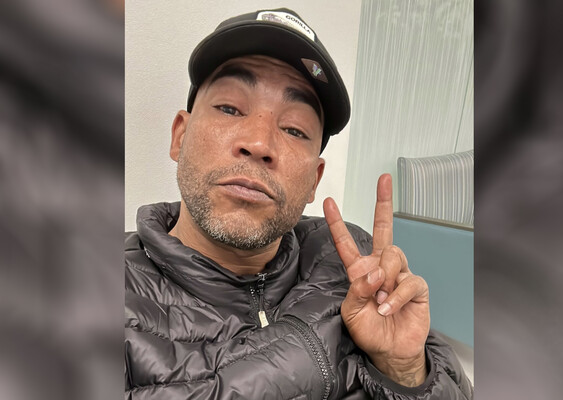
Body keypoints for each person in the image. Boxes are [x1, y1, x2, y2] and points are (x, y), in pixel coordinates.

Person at [125, 8, 473, 399]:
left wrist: (404, 369)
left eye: (294, 129)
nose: (259, 143)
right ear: (180, 136)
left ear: (314, 181)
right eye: (230, 108)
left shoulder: (356, 261)